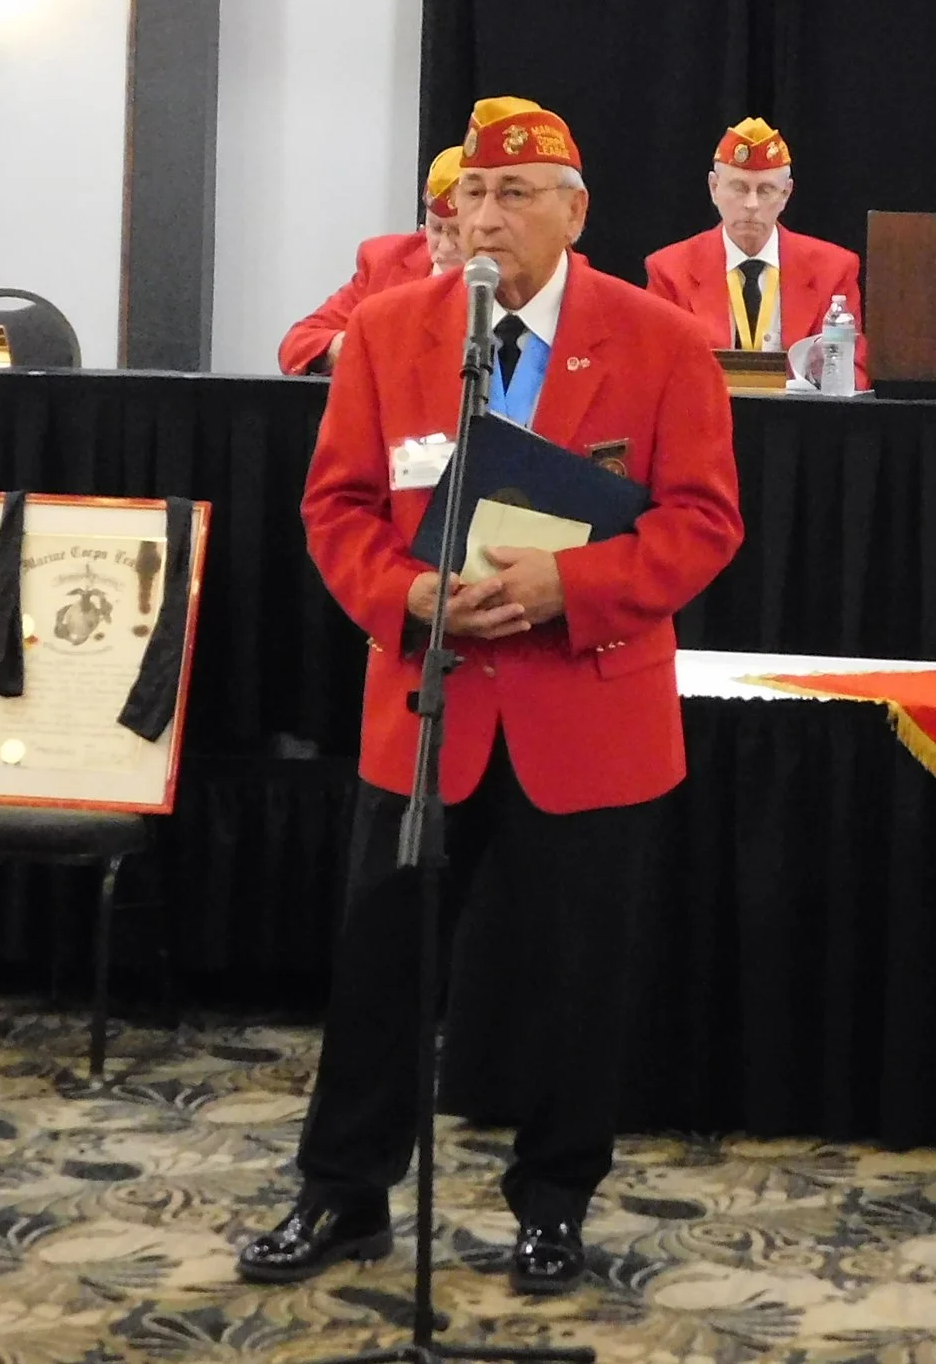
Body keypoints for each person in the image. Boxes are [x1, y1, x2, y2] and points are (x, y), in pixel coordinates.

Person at [237, 95, 742, 1294]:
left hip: (589, 709)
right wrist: (408, 595)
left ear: (575, 211)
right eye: (471, 193)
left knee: (578, 978)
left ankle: (554, 1204)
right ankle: (343, 1195)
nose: (486, 215)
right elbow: (337, 508)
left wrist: (574, 584)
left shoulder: (661, 340)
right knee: (379, 968)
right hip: (430, 709)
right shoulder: (389, 332)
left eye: (516, 194)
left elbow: (703, 522)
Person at [643, 117, 868, 386]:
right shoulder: (670, 270)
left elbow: (854, 372)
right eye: (739, 188)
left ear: (786, 194)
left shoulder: (833, 269)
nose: (751, 204)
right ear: (714, 188)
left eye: (765, 190)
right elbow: (654, 368)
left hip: (801, 411)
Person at [277, 146, 466, 375]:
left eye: (457, 231)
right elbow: (298, 343)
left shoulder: (504, 270)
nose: (444, 246)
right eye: (435, 228)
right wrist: (359, 347)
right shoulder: (386, 261)